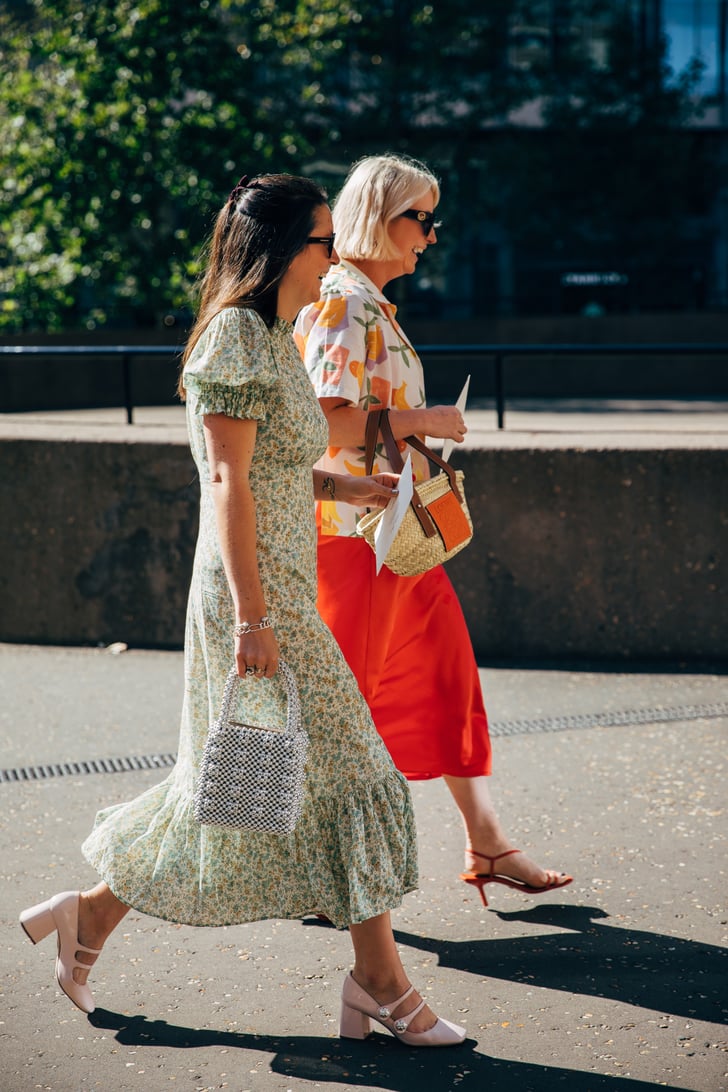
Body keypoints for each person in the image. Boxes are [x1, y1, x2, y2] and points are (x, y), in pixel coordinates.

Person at [18, 173, 466, 1048]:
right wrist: (255, 623)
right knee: (353, 774)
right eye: (323, 241)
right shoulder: (231, 336)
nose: (336, 256)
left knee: (241, 790)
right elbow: (224, 481)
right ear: (278, 252)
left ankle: (91, 917)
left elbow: (272, 466)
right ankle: (381, 984)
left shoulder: (271, 336)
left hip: (281, 589)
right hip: (252, 598)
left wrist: (346, 481)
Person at [294, 153, 572, 907]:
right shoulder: (341, 303)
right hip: (355, 536)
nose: (431, 236)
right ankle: (319, 871)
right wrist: (429, 421)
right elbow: (324, 417)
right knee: (342, 706)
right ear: (378, 215)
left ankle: (486, 843)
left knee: (445, 681)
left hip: (388, 535)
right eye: (421, 217)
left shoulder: (365, 304)